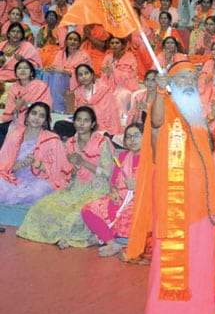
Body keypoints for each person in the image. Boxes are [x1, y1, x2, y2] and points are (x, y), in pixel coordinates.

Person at [126, 60, 215, 314]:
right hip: (175, 202)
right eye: (182, 77)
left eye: (193, 77)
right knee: (167, 263)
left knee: (200, 261)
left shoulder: (197, 116)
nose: (189, 81)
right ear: (170, 81)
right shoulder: (164, 108)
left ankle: (195, 312)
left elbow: (208, 161)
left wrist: (212, 202)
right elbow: (156, 123)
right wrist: (158, 92)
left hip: (202, 202)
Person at [17, 106, 115, 249]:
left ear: (93, 124)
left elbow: (107, 173)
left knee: (75, 214)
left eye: (86, 120)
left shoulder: (102, 142)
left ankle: (70, 238)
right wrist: (73, 170)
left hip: (97, 188)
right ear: (73, 122)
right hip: (75, 187)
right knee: (43, 205)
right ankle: (54, 236)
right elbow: (67, 171)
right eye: (78, 120)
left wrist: (83, 163)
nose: (81, 124)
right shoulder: (70, 143)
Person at [81, 124, 143, 257]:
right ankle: (111, 243)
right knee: (88, 209)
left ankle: (103, 237)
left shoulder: (153, 160)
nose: (132, 140)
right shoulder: (122, 157)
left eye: (136, 136)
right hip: (119, 198)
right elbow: (114, 183)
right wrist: (113, 192)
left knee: (128, 218)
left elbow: (158, 188)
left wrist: (139, 186)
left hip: (141, 201)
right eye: (128, 137)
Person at [0, 102, 70, 205]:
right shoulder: (14, 136)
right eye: (34, 113)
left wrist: (37, 163)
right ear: (27, 116)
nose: (37, 118)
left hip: (39, 180)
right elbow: (3, 165)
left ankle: (13, 198)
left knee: (38, 192)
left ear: (45, 122)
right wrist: (19, 165)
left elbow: (59, 170)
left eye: (41, 116)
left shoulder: (52, 140)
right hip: (13, 178)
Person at [0, 60, 51, 147]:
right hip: (16, 120)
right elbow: (9, 108)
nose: (22, 70)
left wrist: (26, 105)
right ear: (15, 73)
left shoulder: (41, 86)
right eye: (19, 68)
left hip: (35, 121)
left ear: (31, 72)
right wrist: (17, 108)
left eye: (26, 68)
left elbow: (44, 106)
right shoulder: (13, 88)